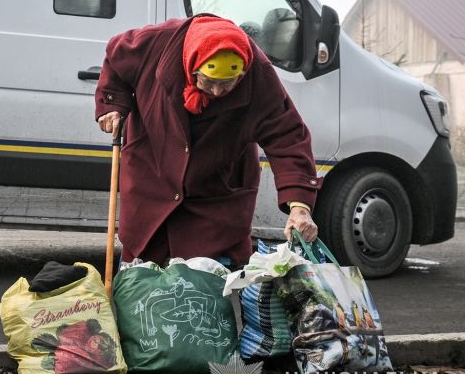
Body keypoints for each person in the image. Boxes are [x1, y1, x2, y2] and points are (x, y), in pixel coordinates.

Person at [95, 14, 319, 267]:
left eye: (227, 84)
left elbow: (288, 136)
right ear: (191, 66)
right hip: (153, 172)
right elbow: (115, 59)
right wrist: (112, 102)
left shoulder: (259, 74)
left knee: (207, 290)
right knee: (140, 283)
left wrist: (299, 205)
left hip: (216, 192)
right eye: (209, 82)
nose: (216, 92)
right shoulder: (154, 43)